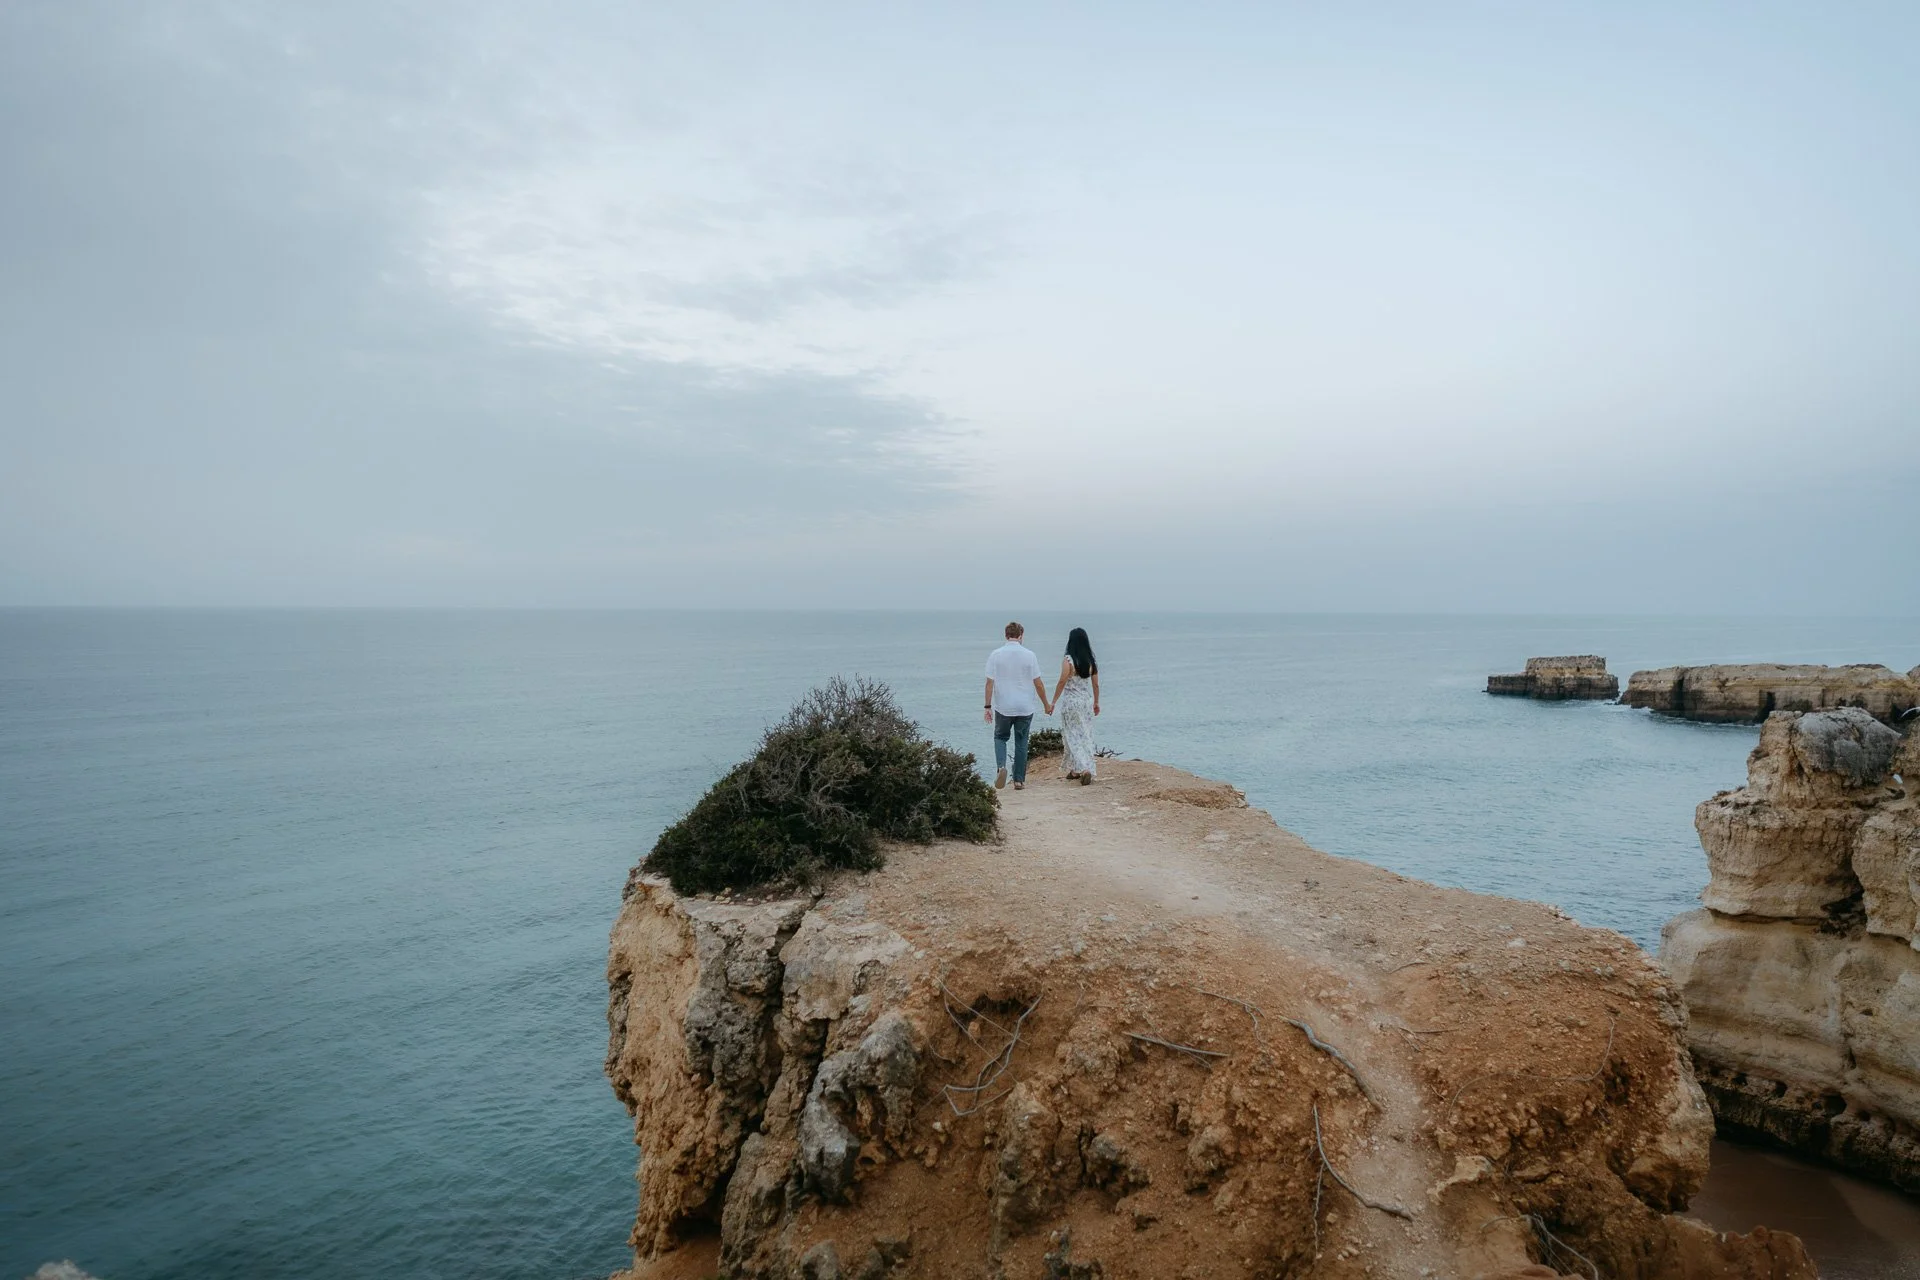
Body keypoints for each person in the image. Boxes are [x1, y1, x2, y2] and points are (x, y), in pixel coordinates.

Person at [983, 621, 1050, 790]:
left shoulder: (995, 655)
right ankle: (1019, 780)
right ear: (1021, 636)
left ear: (1006, 635)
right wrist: (1046, 704)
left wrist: (987, 707)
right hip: (1025, 707)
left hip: (1004, 706)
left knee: (1000, 737)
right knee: (1021, 742)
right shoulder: (1030, 655)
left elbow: (989, 683)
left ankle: (1001, 767)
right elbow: (1038, 683)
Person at [1049, 627, 1101, 783]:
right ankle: (1075, 770)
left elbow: (1062, 681)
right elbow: (1096, 684)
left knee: (1072, 736)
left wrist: (1053, 701)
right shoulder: (1091, 661)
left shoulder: (1069, 660)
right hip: (1086, 702)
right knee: (1085, 735)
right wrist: (1096, 702)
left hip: (1071, 702)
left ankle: (1084, 769)